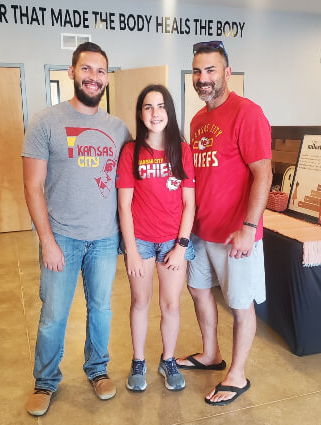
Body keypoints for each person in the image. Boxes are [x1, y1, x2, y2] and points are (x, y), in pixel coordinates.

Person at [22, 42, 131, 416]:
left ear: (107, 77)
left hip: (104, 238)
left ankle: (98, 370)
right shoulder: (45, 122)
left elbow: (132, 182)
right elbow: (33, 187)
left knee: (101, 309)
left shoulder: (118, 129)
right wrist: (47, 242)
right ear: (71, 72)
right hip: (61, 238)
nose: (93, 77)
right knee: (54, 314)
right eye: (86, 69)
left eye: (100, 71)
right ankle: (45, 381)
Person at [176, 41, 272, 406]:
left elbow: (263, 173)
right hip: (202, 230)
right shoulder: (198, 120)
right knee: (199, 292)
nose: (203, 78)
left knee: (240, 304)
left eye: (211, 70)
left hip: (237, 234)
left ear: (227, 73)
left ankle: (238, 374)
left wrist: (249, 227)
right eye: (198, 71)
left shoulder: (248, 113)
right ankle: (211, 354)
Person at [116, 85, 196, 392]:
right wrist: (132, 251)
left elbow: (189, 204)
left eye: (160, 106)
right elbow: (124, 206)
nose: (155, 113)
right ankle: (139, 361)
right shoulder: (130, 152)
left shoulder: (183, 151)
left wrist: (181, 246)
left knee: (171, 305)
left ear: (170, 111)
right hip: (142, 243)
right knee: (140, 301)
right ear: (140, 114)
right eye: (148, 107)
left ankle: (169, 359)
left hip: (174, 243)